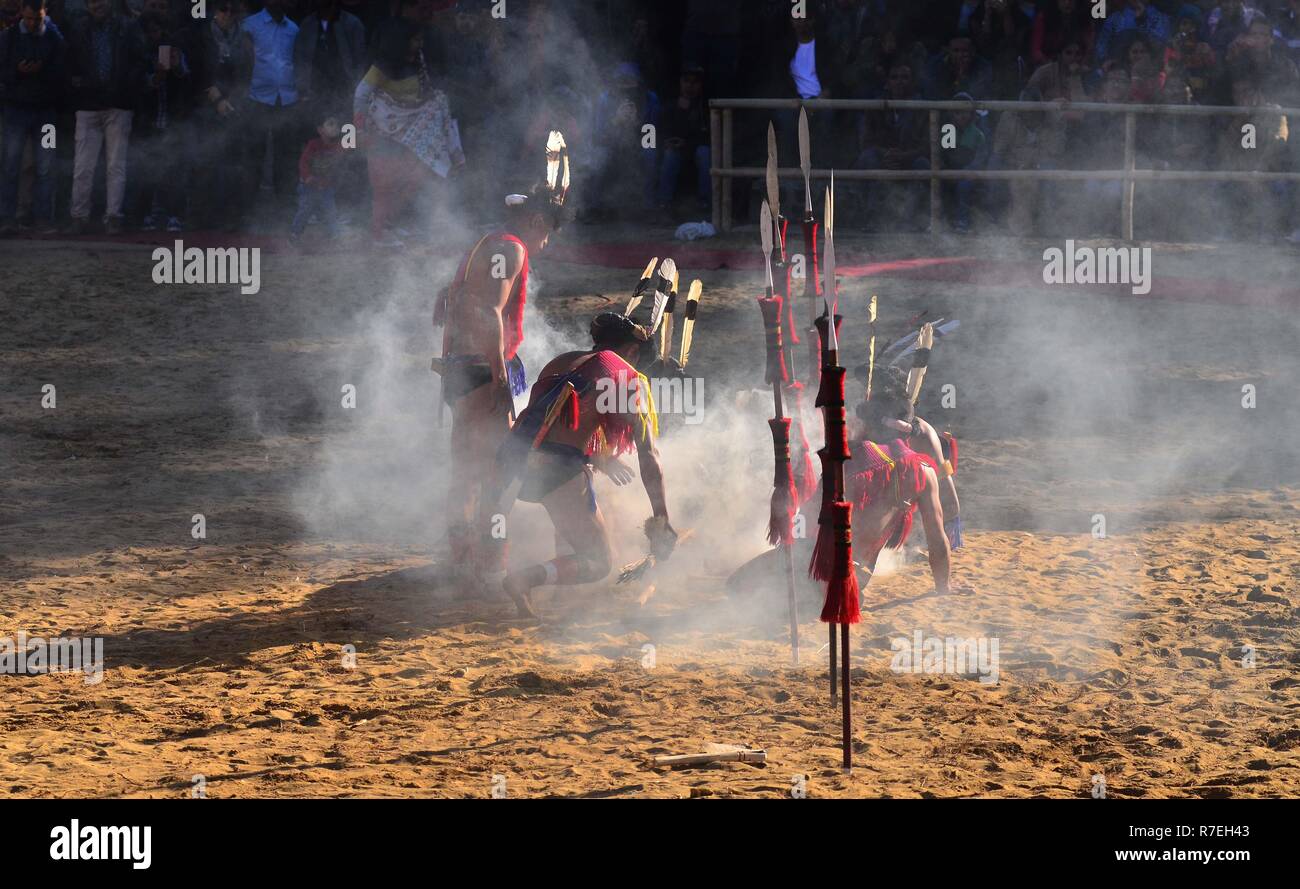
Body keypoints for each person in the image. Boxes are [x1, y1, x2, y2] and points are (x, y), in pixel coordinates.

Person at [432, 133, 570, 590]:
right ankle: (489, 565)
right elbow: (489, 310)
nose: (546, 242)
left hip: (461, 368)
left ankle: (461, 559)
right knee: (497, 472)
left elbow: (456, 299)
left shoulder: (489, 242)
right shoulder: (511, 248)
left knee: (468, 470)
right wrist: (497, 380)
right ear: (534, 220)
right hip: (477, 371)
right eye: (547, 231)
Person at [493, 312, 674, 619]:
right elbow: (649, 455)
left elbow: (552, 423)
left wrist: (594, 458)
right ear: (632, 353)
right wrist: (661, 520)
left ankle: (558, 594)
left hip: (511, 460)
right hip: (556, 468)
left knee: (579, 498)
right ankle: (525, 580)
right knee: (599, 562)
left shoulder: (561, 361)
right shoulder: (627, 378)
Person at [353, 17, 462, 246]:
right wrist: (359, 129)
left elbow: (423, 95)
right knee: (383, 185)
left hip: (410, 136)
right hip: (382, 131)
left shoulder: (417, 61)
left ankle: (390, 226)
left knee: (412, 179)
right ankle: (378, 233)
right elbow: (361, 95)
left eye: (420, 38)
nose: (420, 43)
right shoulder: (382, 66)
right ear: (401, 42)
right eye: (415, 39)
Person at [65, 0, 143, 235]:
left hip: (117, 103)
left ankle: (113, 217)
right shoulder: (78, 28)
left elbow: (139, 61)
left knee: (115, 165)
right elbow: (68, 62)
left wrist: (122, 87)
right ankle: (79, 216)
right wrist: (78, 85)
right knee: (83, 166)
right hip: (88, 103)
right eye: (92, 1)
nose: (97, 4)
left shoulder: (127, 27)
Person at [0, 0, 63, 236]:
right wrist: (18, 72)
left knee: (46, 167)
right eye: (29, 18)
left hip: (45, 112)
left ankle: (43, 219)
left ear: (43, 13)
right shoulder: (10, 37)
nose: (33, 23)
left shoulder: (53, 38)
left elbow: (61, 71)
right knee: (11, 166)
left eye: (36, 18)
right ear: (22, 14)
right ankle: (7, 218)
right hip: (17, 110)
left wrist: (41, 71)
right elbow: (3, 71)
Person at [240, 0, 299, 220]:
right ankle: (248, 210)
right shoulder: (249, 25)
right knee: (254, 154)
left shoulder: (293, 28)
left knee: (286, 155)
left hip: (286, 98)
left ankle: (285, 210)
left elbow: (294, 61)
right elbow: (243, 60)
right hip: (257, 97)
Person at [290, 112, 342, 242]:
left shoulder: (339, 146)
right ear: (320, 130)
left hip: (326, 186)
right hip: (309, 186)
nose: (335, 127)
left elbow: (336, 166)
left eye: (337, 125)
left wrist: (333, 181)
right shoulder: (313, 144)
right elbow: (303, 162)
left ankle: (334, 235)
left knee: (331, 211)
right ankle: (295, 235)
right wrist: (307, 177)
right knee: (305, 210)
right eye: (330, 124)